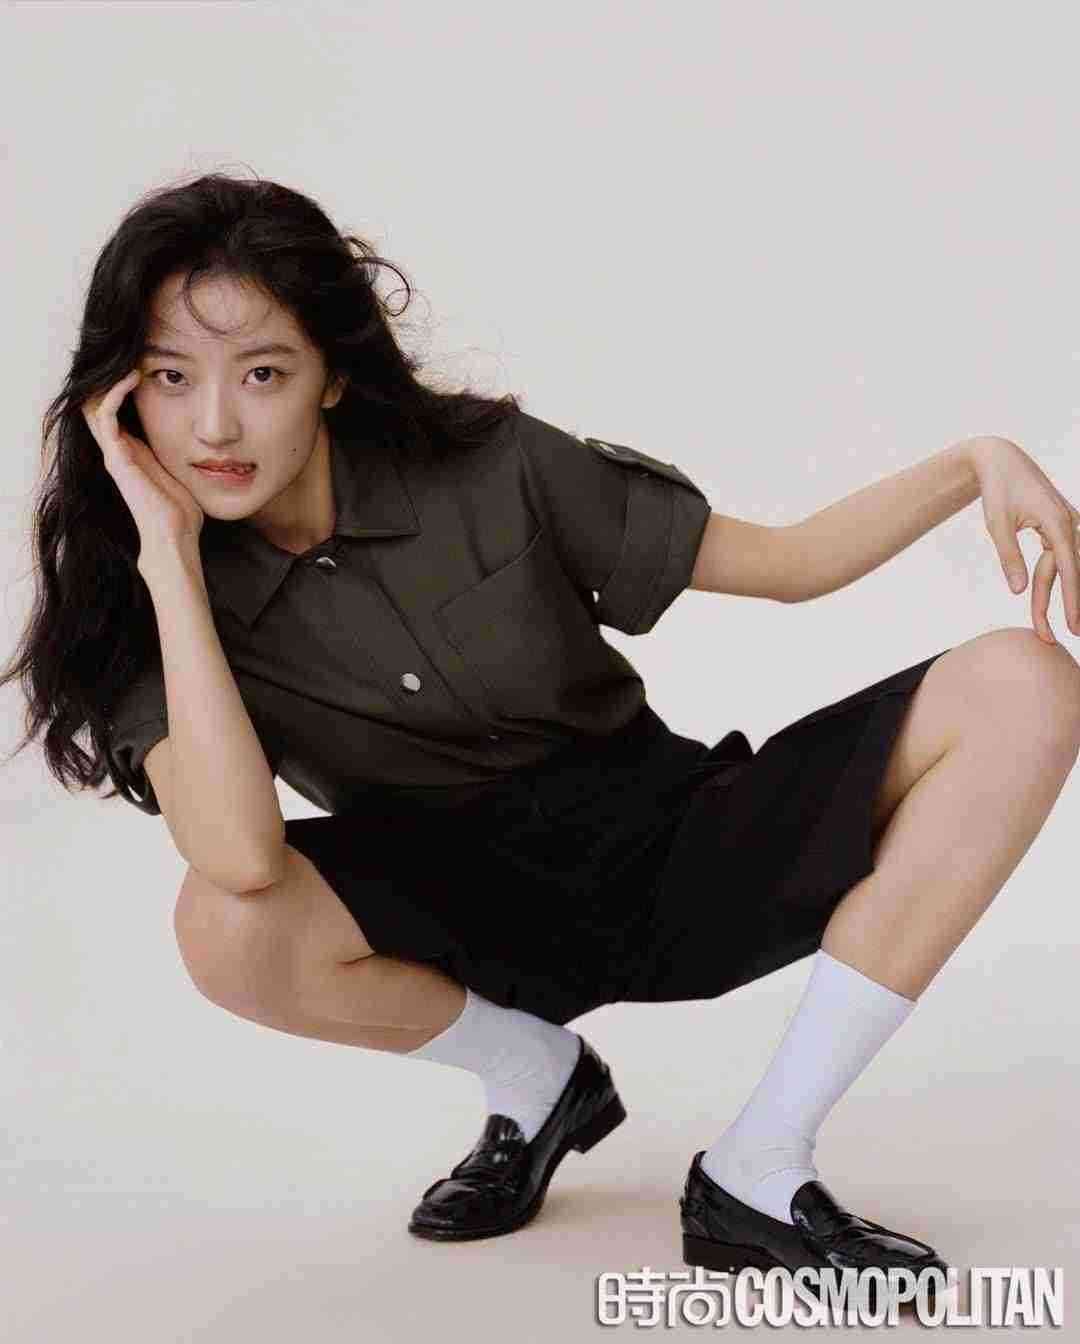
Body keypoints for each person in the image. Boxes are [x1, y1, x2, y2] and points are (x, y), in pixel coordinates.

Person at [7, 171, 1080, 1297]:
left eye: (262, 373)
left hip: (669, 852)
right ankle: (539, 1078)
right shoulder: (141, 609)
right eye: (171, 377)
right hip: (466, 919)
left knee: (1025, 685)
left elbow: (789, 564)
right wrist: (170, 561)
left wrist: (973, 463)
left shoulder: (491, 464)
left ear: (331, 374)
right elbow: (238, 855)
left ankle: (759, 1168)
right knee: (222, 922)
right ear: (120, 395)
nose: (215, 425)